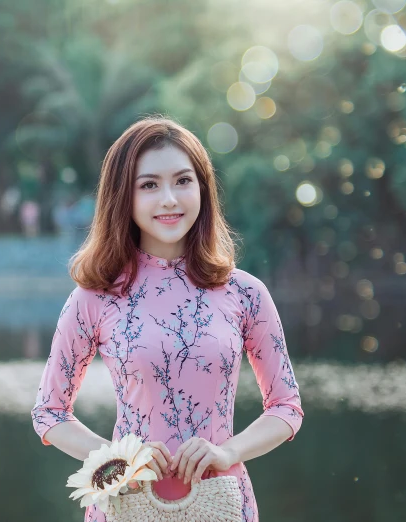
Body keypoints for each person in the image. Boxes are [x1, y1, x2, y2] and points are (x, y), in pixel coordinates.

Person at [30, 115, 303, 522]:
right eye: (149, 185)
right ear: (123, 195)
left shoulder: (245, 293)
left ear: (202, 188)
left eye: (183, 181)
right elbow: (49, 413)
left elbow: (286, 406)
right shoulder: (94, 298)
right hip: (126, 507)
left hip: (222, 504)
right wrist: (119, 460)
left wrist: (228, 451)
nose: (170, 199)